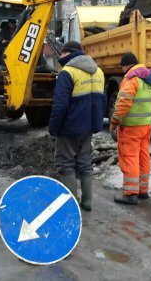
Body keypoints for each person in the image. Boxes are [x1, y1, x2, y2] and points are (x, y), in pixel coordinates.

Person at [49, 41, 106, 211]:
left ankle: (71, 203)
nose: (60, 57)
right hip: (88, 127)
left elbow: (60, 105)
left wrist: (54, 127)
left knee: (66, 164)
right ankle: (87, 202)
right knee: (85, 163)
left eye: (62, 54)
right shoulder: (99, 72)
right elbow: (101, 102)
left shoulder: (67, 72)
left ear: (68, 54)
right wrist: (96, 124)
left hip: (69, 128)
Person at [110, 52, 151, 205]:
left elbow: (123, 103)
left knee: (130, 156)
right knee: (143, 156)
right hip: (146, 125)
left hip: (131, 127)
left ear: (125, 66)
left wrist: (115, 122)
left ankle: (130, 193)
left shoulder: (131, 79)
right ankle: (143, 191)